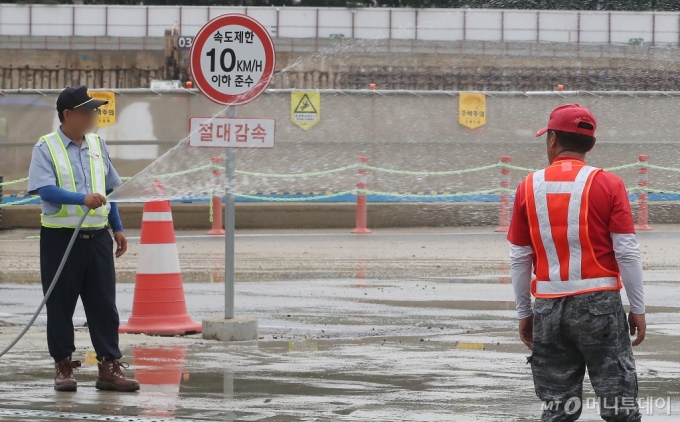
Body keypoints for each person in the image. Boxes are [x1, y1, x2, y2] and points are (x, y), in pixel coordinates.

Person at [508, 104, 645, 421]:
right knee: (619, 407)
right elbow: (626, 251)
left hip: (547, 308)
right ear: (591, 144)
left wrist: (524, 312)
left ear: (552, 140)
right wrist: (637, 308)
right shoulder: (609, 184)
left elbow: (519, 257)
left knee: (558, 408)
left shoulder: (527, 187)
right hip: (600, 306)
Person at [28, 85, 139, 392]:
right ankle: (63, 366)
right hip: (60, 240)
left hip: (98, 239)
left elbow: (109, 189)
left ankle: (108, 366)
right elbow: (45, 190)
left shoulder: (97, 145)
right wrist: (81, 199)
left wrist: (116, 227)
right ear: (68, 115)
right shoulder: (46, 147)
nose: (94, 115)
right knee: (60, 305)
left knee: (104, 305)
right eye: (88, 110)